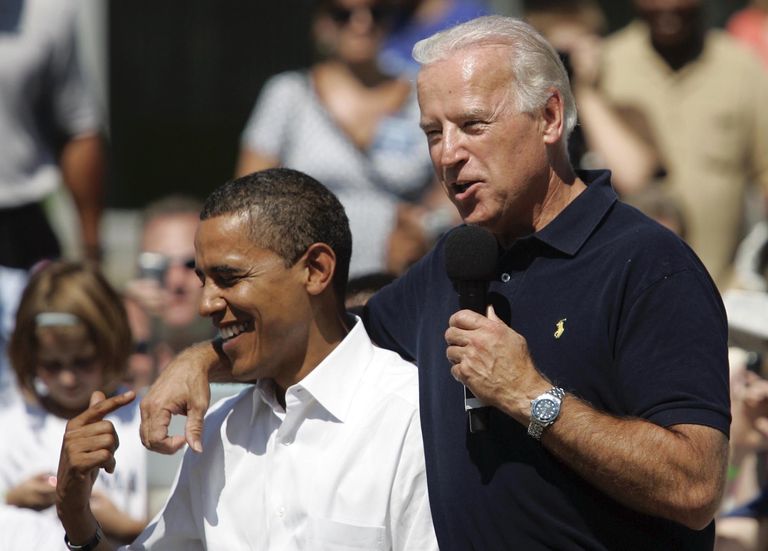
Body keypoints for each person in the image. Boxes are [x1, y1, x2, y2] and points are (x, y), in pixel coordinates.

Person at [139, 16, 730, 549]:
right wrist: (202, 360)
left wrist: (531, 397)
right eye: (431, 133)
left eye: (473, 124)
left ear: (549, 117)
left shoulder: (649, 264)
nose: (448, 155)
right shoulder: (455, 261)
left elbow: (695, 488)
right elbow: (323, 335)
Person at [56, 168, 437, 550]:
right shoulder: (221, 432)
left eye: (230, 277)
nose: (206, 303)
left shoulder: (412, 421)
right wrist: (78, 519)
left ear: (316, 270)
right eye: (204, 279)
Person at [236, 0, 445, 277]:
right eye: (343, 14)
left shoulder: (423, 89)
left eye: (376, 12)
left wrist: (426, 226)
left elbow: (452, 180)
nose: (362, 23)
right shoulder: (288, 94)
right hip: (308, 274)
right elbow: (250, 196)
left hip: (405, 273)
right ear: (322, 24)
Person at [598, 0, 768, 288]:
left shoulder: (742, 67)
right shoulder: (604, 65)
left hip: (721, 294)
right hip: (620, 295)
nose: (668, 7)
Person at [0, 261, 146, 544]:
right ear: (30, 356)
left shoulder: (140, 421)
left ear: (110, 346)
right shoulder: (9, 428)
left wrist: (123, 526)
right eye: (52, 365)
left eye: (83, 361)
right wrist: (10, 499)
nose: (68, 379)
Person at [0, 0, 105, 391]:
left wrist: (91, 250)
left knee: (46, 384)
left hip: (19, 232)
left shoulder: (48, 12)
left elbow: (79, 129)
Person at [123, 195, 214, 388]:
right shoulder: (111, 355)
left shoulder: (250, 353)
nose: (176, 280)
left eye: (191, 264)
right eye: (159, 265)